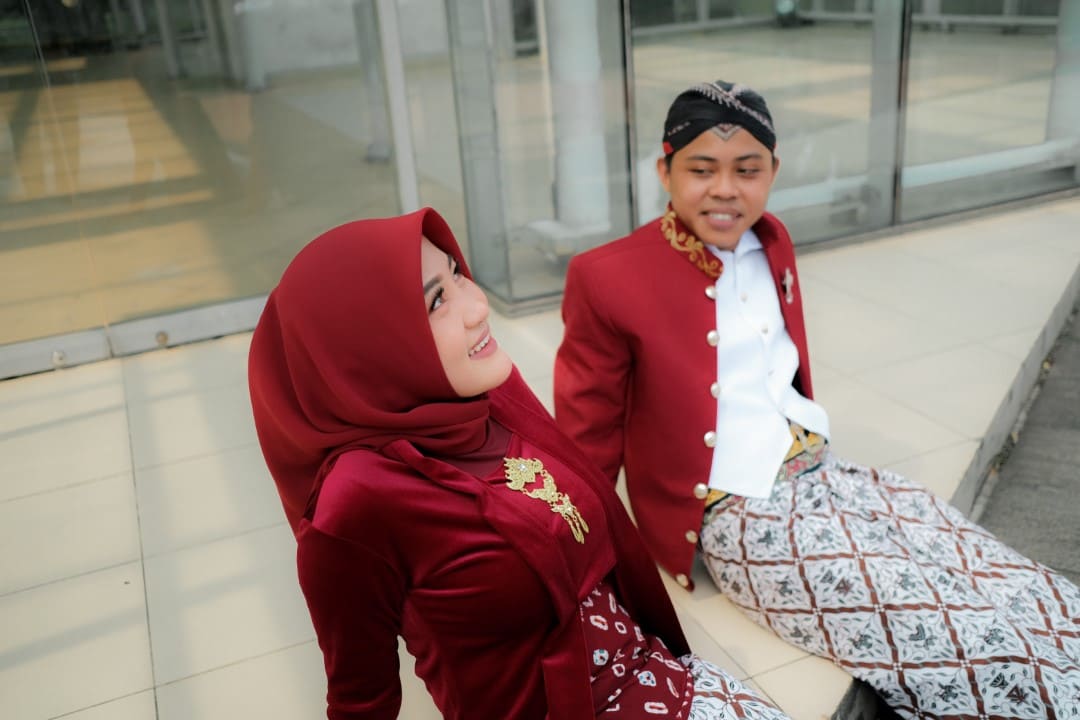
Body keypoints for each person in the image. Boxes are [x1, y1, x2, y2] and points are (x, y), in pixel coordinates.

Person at [554, 80, 1080, 718]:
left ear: (774, 173)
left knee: (998, 574)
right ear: (665, 171)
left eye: (748, 170)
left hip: (828, 473)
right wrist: (583, 568)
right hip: (738, 514)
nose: (725, 189)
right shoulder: (608, 276)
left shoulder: (772, 239)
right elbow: (584, 442)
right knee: (941, 625)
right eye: (701, 169)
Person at [247, 207, 794, 719]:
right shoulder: (356, 502)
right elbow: (360, 700)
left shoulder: (489, 406)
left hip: (664, 679)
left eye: (457, 274)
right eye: (436, 302)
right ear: (368, 350)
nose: (477, 306)